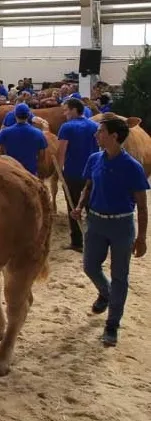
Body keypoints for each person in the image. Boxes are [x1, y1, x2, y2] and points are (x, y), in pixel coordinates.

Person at [70, 117, 149, 347]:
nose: (97, 135)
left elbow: (142, 206)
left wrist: (141, 238)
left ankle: (112, 324)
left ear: (114, 136)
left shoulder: (133, 167)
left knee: (120, 276)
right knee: (90, 266)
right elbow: (88, 187)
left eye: (101, 131)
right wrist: (79, 206)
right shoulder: (94, 159)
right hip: (95, 222)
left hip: (122, 225)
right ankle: (106, 293)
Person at [57, 97, 99, 252]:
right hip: (93, 173)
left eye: (66, 110)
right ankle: (95, 242)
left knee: (73, 206)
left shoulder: (66, 127)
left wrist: (60, 171)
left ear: (75, 110)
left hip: (73, 173)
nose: (64, 113)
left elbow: (61, 151)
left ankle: (77, 242)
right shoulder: (95, 126)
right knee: (92, 208)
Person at [0, 103, 47, 176]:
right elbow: (42, 156)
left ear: (15, 115)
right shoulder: (38, 133)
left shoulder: (5, 132)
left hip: (12, 172)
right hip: (30, 172)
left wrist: (0, 162)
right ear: (28, 115)